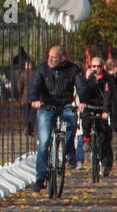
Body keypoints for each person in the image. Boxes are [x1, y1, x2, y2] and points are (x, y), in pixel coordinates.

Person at [28, 45, 87, 191]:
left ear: (62, 58)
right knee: (44, 140)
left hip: (65, 104)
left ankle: (68, 150)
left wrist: (83, 100)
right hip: (46, 106)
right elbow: (34, 84)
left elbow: (81, 86)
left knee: (72, 120)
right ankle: (40, 177)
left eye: (53, 57)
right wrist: (34, 98)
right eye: (49, 56)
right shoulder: (42, 69)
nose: (50, 59)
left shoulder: (73, 69)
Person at [78, 55, 112, 175]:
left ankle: (104, 163)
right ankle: (86, 139)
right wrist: (87, 80)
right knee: (85, 119)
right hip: (90, 105)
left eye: (99, 66)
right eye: (94, 66)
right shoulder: (88, 78)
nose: (96, 69)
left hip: (102, 108)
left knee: (102, 138)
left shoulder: (107, 79)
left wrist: (106, 111)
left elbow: (108, 95)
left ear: (102, 67)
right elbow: (83, 92)